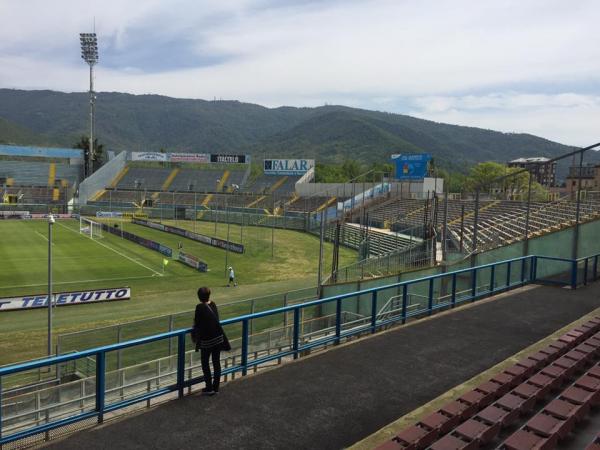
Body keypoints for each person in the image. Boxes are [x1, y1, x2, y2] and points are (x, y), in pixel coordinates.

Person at [193, 287, 223, 395]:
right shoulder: (213, 304)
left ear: (199, 297)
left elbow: (197, 323)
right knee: (216, 363)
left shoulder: (199, 307)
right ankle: (216, 388)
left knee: (205, 364)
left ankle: (209, 387)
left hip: (207, 341)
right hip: (218, 339)